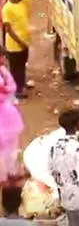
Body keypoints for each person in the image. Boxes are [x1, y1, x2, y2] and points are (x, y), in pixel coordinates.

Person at [47, 109, 79, 226]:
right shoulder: (78, 148)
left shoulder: (54, 147)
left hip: (66, 198)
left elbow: (51, 169)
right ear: (77, 125)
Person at [0, 53, 21, 184]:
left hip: (7, 113)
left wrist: (5, 89)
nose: (3, 59)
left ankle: (11, 173)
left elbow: (13, 87)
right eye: (1, 56)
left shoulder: (3, 71)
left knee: (11, 145)